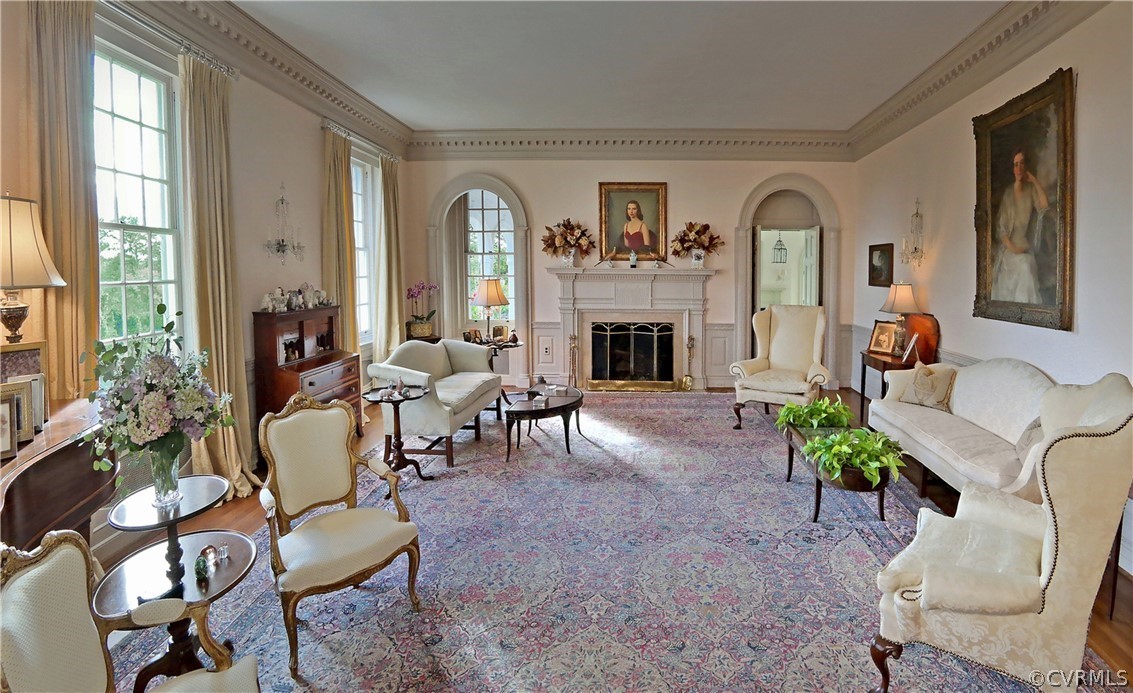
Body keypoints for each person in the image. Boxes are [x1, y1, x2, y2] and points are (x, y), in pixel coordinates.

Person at [991, 147, 1049, 304]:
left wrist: (1035, 181)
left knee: (1028, 263)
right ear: (1012, 168)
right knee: (1025, 265)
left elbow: (1044, 205)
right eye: (1016, 164)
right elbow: (1001, 228)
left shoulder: (1030, 190)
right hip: (1009, 250)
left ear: (1026, 166)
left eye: (1022, 164)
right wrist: (1013, 248)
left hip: (1024, 247)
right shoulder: (1008, 193)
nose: (1019, 168)